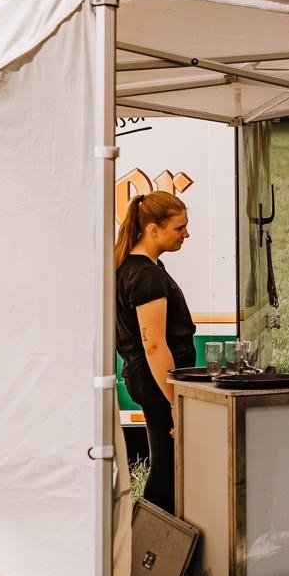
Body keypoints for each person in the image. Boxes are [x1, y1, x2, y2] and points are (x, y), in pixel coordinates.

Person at [114, 192, 194, 514]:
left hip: (151, 381)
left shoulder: (137, 266)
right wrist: (176, 402)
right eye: (179, 228)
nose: (186, 234)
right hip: (157, 382)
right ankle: (152, 539)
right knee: (165, 467)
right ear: (152, 229)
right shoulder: (145, 275)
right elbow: (154, 345)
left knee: (168, 464)